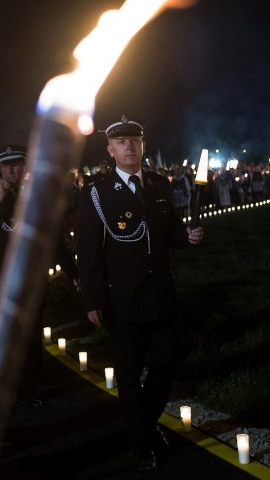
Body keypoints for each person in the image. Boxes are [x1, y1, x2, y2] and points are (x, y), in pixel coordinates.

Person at [76, 115, 203, 473]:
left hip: (161, 295)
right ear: (111, 149)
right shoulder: (97, 193)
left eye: (134, 140)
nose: (129, 146)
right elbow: (89, 252)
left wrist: (187, 238)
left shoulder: (160, 185)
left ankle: (143, 427)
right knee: (129, 377)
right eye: (121, 142)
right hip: (123, 299)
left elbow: (169, 234)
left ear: (143, 145)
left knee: (168, 362)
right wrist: (93, 300)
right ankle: (140, 444)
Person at [0, 144, 79, 409]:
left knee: (29, 338)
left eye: (16, 164)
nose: (10, 170)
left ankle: (28, 392)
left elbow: (54, 242)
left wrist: (74, 274)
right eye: (6, 165)